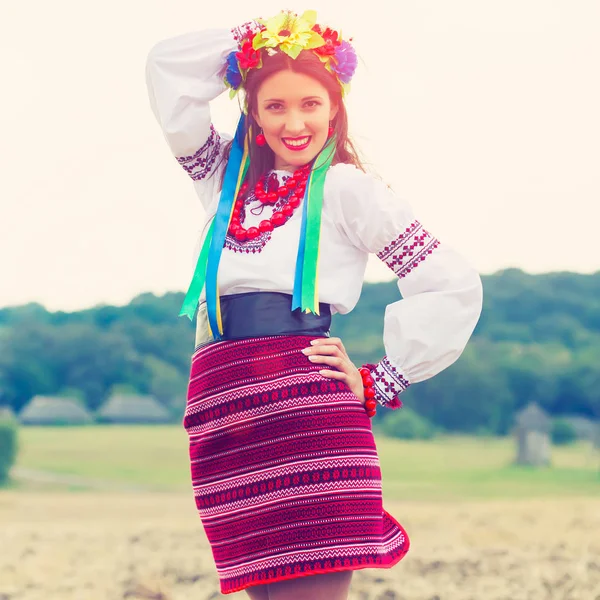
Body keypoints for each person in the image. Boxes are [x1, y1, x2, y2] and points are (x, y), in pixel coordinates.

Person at [145, 10, 483, 600]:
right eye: (274, 106)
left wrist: (382, 377)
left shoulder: (353, 190)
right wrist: (255, 39)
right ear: (251, 112)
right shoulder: (223, 177)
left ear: (335, 108)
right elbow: (165, 69)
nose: (294, 122)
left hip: (307, 407)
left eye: (309, 104)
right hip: (224, 406)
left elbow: (451, 284)